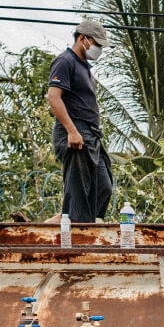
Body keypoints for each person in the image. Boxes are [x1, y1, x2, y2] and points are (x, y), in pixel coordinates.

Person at [47, 19, 113, 223]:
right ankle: (66, 235)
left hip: (91, 134)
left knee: (104, 187)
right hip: (75, 132)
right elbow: (53, 97)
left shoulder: (83, 66)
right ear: (83, 39)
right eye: (98, 44)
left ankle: (69, 224)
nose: (99, 49)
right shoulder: (65, 61)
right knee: (78, 198)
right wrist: (72, 131)